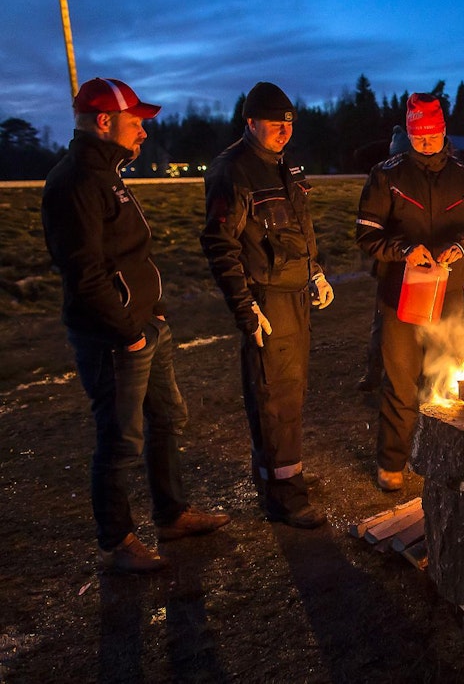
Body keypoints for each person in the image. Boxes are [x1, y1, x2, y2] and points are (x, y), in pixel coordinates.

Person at [41, 77, 230, 573]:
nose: (144, 132)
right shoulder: (77, 180)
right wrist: (128, 333)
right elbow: (85, 274)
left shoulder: (107, 172)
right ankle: (117, 540)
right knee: (121, 439)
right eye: (136, 122)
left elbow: (127, 254)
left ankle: (171, 514)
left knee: (167, 418)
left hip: (145, 324)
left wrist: (156, 311)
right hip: (114, 339)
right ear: (105, 122)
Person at [200, 82, 333, 529]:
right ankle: (285, 499)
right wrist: (245, 307)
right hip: (266, 298)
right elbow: (221, 245)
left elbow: (301, 224)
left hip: (295, 294)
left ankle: (280, 484)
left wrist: (314, 271)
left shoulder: (285, 165)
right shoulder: (232, 171)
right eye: (275, 124)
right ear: (250, 122)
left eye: (289, 125)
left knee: (289, 393)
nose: (283, 132)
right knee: (273, 397)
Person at [357, 93, 464, 491]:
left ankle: (440, 459)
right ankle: (391, 462)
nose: (427, 141)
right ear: (410, 133)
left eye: (433, 134)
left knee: (443, 378)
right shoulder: (386, 176)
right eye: (419, 135)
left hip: (448, 294)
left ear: (444, 131)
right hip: (399, 295)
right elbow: (366, 233)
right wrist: (403, 250)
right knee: (400, 381)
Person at [356, 124, 413, 393]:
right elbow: (370, 230)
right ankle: (375, 371)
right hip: (391, 267)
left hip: (421, 270)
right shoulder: (383, 181)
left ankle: (414, 374)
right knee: (384, 322)